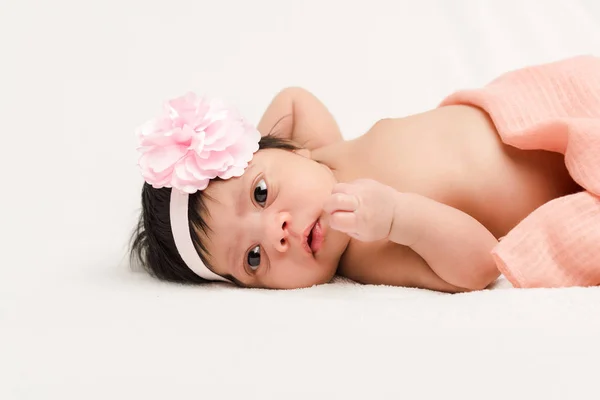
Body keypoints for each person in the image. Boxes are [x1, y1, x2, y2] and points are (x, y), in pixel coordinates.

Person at [130, 55, 595, 293]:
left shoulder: (321, 153)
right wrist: (399, 217)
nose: (278, 233)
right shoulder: (369, 249)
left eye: (262, 193)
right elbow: (478, 266)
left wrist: (259, 148)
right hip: (573, 188)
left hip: (540, 110)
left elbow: (295, 98)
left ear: (289, 150)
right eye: (252, 259)